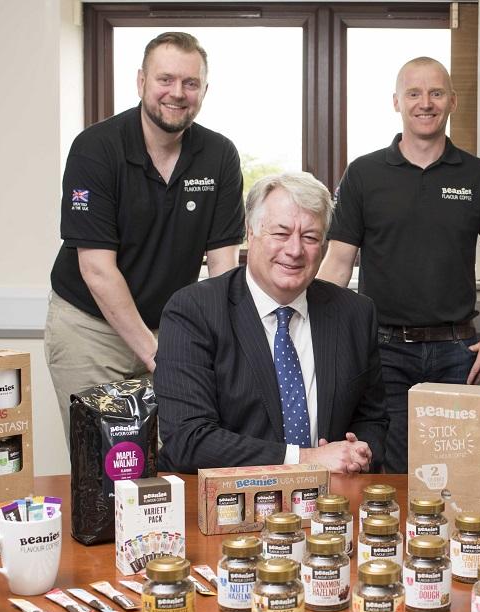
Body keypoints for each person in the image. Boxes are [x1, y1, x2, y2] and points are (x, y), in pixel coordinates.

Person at [318, 56, 480, 473]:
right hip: (383, 351)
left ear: (453, 101)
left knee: (459, 471)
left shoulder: (479, 176)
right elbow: (337, 263)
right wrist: (318, 332)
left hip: (458, 354)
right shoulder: (364, 173)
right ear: (397, 101)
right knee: (389, 468)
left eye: (436, 93)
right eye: (414, 93)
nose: (425, 103)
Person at [45, 32, 245, 440]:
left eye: (190, 83)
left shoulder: (219, 155)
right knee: (108, 463)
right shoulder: (95, 149)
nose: (177, 93)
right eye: (165, 79)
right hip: (92, 329)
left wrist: (220, 347)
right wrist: (159, 356)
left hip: (170, 327)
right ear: (141, 82)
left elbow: (224, 265)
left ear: (204, 90)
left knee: (174, 453)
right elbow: (97, 270)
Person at [154, 172, 388, 474]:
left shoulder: (355, 313)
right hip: (225, 505)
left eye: (310, 237)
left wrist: (359, 451)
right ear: (250, 233)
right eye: (281, 233)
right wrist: (305, 460)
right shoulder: (194, 311)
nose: (294, 250)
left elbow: (373, 418)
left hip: (330, 502)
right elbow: (187, 440)